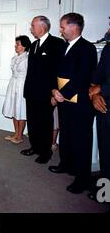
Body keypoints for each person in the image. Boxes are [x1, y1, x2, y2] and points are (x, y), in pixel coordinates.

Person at [49, 13, 97, 194]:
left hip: (80, 103)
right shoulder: (64, 47)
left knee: (81, 140)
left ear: (74, 27)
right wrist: (54, 90)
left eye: (62, 27)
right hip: (64, 99)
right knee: (67, 135)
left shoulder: (87, 48)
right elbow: (55, 71)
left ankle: (82, 179)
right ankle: (66, 164)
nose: (60, 30)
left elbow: (82, 77)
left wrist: (62, 93)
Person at [21, 15, 65, 164]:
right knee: (32, 121)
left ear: (42, 27)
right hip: (31, 91)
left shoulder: (57, 44)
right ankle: (35, 147)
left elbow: (58, 70)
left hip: (47, 93)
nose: (31, 29)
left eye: (33, 26)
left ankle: (45, 152)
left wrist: (54, 92)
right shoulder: (33, 45)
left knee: (45, 123)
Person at [88, 43, 110, 202]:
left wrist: (102, 88)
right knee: (106, 152)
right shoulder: (108, 48)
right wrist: (95, 93)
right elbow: (98, 73)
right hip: (104, 106)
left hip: (105, 94)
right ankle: (106, 193)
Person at [2, 35, 31, 144]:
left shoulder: (27, 58)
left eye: (18, 44)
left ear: (24, 46)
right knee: (14, 109)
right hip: (13, 84)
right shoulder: (14, 58)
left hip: (22, 85)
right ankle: (16, 133)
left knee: (21, 110)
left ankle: (19, 136)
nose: (16, 46)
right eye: (16, 44)